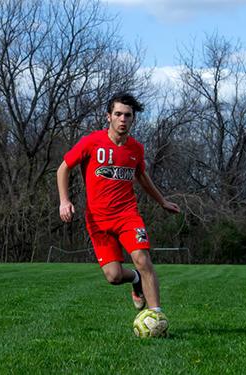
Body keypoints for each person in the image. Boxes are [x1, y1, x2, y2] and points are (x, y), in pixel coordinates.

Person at [57, 93, 180, 317]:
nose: (123, 119)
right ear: (108, 117)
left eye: (128, 115)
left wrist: (162, 201)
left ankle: (157, 315)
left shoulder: (135, 149)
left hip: (127, 216)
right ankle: (135, 279)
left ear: (133, 119)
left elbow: (142, 176)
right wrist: (64, 201)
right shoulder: (91, 142)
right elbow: (63, 168)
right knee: (113, 276)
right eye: (118, 114)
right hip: (98, 220)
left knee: (143, 259)